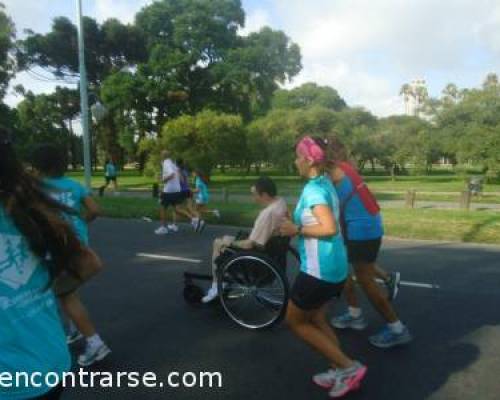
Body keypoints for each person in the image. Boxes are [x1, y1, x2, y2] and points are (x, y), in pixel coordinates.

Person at [0, 127, 101, 399]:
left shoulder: (34, 194)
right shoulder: (27, 201)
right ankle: (85, 338)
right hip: (49, 360)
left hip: (12, 379)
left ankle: (94, 342)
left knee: (68, 300)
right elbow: (93, 214)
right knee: (66, 297)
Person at [279, 136, 366, 398]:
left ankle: (349, 367)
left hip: (319, 271)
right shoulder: (324, 183)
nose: (295, 161)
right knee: (316, 318)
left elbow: (329, 227)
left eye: (297, 156)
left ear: (307, 160)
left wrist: (297, 229)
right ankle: (340, 367)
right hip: (334, 267)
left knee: (294, 321)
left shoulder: (315, 190)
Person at [325, 136, 412, 349]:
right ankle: (355, 314)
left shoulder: (336, 170)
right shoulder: (347, 167)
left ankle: (397, 328)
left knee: (366, 281)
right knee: (346, 272)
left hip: (362, 230)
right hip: (363, 227)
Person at [32, 144, 111, 366]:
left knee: (64, 295)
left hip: (58, 250)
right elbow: (95, 210)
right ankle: (76, 329)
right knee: (68, 291)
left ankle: (95, 343)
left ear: (38, 166)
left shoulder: (36, 188)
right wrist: (82, 222)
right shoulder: (74, 186)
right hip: (79, 244)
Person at [201, 176, 287, 303]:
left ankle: (216, 285)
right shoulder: (280, 202)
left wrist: (230, 243)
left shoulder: (267, 214)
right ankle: (221, 281)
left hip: (258, 257)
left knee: (218, 243)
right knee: (225, 237)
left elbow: (249, 244)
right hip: (273, 250)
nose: (254, 198)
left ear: (264, 195)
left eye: (255, 195)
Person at [155, 151, 201, 234]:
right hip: (176, 189)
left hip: (169, 190)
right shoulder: (172, 163)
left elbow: (172, 174)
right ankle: (193, 219)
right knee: (177, 209)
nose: (160, 156)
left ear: (163, 156)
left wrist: (163, 180)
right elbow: (177, 175)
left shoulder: (166, 163)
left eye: (161, 154)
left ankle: (163, 228)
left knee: (162, 208)